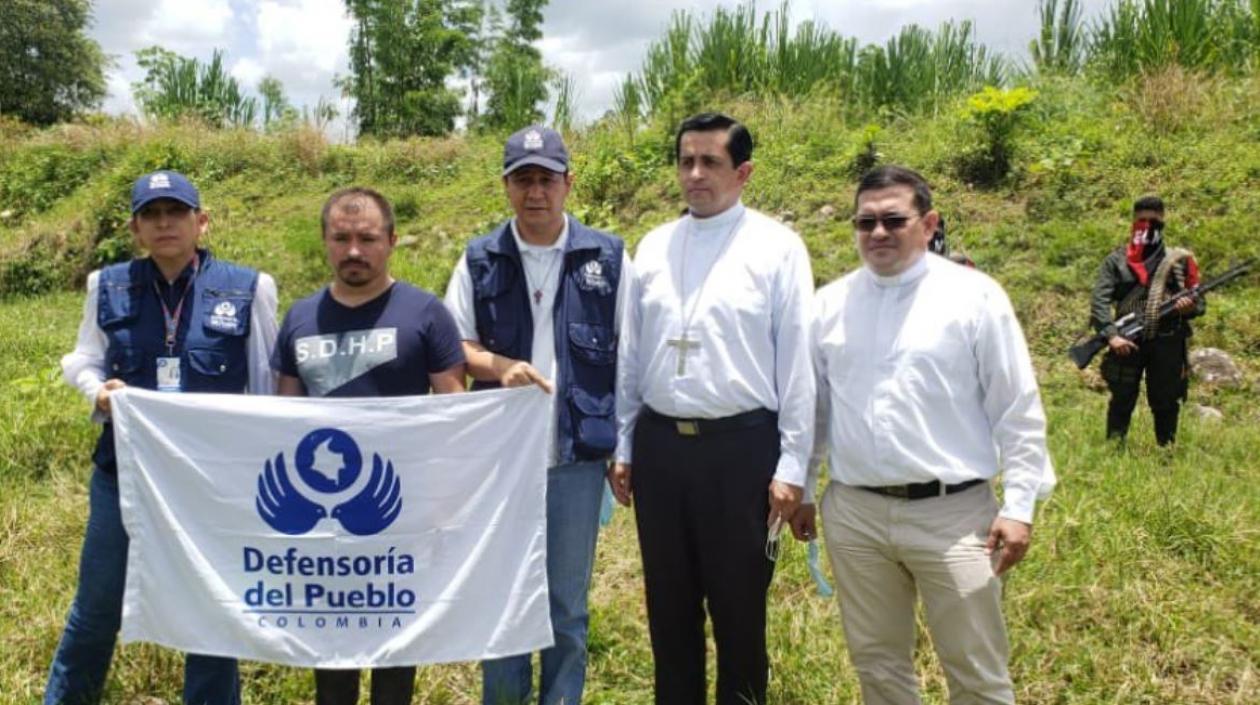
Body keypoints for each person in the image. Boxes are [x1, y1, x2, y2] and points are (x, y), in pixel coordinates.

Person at [795, 165, 1056, 705]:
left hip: (956, 519)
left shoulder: (974, 298)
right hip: (856, 515)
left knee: (977, 671)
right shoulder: (829, 305)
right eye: (866, 222)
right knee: (878, 667)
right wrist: (800, 487)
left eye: (894, 219)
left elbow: (1017, 408)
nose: (879, 233)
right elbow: (814, 411)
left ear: (929, 222)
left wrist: (1020, 505)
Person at [50, 169, 278, 705]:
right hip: (123, 477)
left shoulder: (250, 288)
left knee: (210, 610)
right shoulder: (105, 286)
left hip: (211, 484)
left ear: (201, 222)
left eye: (175, 212)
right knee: (97, 607)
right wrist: (96, 392)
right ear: (135, 229)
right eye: (150, 215)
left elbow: (265, 387)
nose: (164, 224)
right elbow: (81, 359)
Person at [610, 112, 815, 705]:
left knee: (738, 607)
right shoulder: (653, 246)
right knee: (668, 608)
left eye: (710, 162)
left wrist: (794, 467)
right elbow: (631, 355)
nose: (695, 174)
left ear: (743, 172)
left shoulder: (777, 248)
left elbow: (798, 364)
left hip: (742, 451)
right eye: (685, 161)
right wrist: (624, 444)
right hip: (662, 449)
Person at [443, 125, 633, 705]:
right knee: (503, 597)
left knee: (566, 606)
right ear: (506, 187)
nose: (535, 192)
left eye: (546, 179)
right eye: (522, 179)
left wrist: (622, 450)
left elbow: (630, 357)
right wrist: (500, 366)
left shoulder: (609, 256)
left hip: (575, 459)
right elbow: (455, 349)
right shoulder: (479, 260)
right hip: (501, 461)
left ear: (568, 184)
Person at [273, 187, 466, 705]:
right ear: (325, 241)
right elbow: (281, 420)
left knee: (394, 657)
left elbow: (457, 413)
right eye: (341, 238)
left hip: (401, 516)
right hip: (321, 521)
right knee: (331, 659)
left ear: (392, 241)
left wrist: (447, 503)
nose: (353, 251)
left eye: (367, 238)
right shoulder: (298, 317)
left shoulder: (426, 313)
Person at [1090, 195, 1202, 446]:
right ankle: (1114, 449)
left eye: (1154, 221)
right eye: (1142, 220)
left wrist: (1188, 308)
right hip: (1127, 339)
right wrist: (1111, 335)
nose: (1148, 226)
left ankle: (1166, 451)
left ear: (1163, 221)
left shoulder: (1179, 261)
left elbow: (1199, 302)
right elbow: (1099, 301)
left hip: (1168, 342)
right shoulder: (1117, 261)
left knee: (1166, 400)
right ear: (1133, 221)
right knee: (1122, 397)